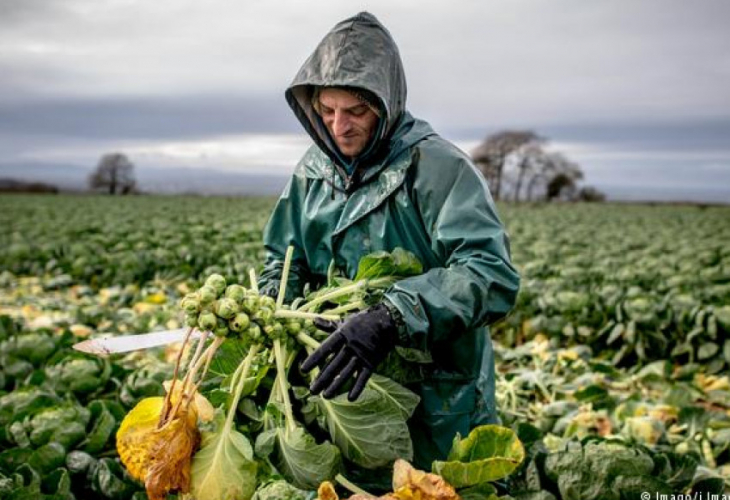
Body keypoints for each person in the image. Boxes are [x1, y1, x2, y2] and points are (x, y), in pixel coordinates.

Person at [258, 11, 520, 472]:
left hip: (436, 399)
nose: (340, 127)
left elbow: (489, 274)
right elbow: (283, 260)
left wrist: (392, 316)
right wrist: (270, 308)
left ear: (386, 103)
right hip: (343, 390)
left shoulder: (438, 168)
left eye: (356, 110)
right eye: (327, 111)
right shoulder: (311, 174)